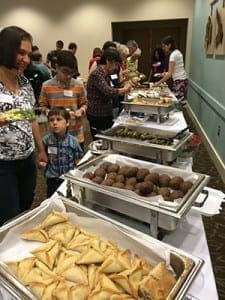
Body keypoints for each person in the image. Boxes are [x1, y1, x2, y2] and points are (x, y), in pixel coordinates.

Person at [0, 26, 48, 225]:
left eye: (28, 54)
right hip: (3, 164)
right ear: (5, 49)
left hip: (27, 159)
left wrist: (40, 149)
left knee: (26, 204)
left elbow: (32, 118)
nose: (26, 60)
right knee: (10, 215)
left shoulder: (25, 83)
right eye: (21, 53)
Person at [39, 50, 87, 150]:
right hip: (55, 135)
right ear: (56, 67)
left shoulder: (79, 85)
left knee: (78, 163)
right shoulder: (46, 86)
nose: (68, 76)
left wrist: (81, 111)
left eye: (71, 73)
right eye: (65, 72)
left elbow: (85, 104)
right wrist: (47, 111)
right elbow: (42, 105)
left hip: (76, 134)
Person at [86, 48, 132, 139]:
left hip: (105, 112)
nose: (115, 67)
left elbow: (112, 88)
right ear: (108, 61)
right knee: (100, 139)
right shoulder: (97, 74)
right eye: (115, 64)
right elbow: (108, 91)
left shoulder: (104, 73)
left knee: (107, 137)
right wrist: (124, 89)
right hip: (97, 114)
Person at [41, 107, 83, 197]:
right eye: (51, 120)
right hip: (52, 178)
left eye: (59, 119)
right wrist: (42, 164)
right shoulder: (46, 140)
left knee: (69, 197)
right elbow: (42, 156)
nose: (55, 123)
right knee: (52, 199)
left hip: (68, 178)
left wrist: (78, 173)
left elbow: (78, 159)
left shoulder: (73, 141)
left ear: (67, 123)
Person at [154, 36, 188, 102]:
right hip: (183, 79)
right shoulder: (178, 52)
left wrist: (158, 83)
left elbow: (170, 73)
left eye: (164, 46)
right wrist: (164, 74)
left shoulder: (173, 55)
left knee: (178, 102)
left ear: (169, 45)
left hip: (179, 81)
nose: (163, 48)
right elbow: (174, 70)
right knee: (180, 101)